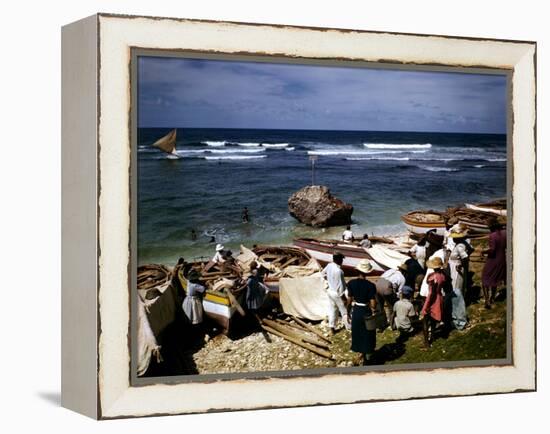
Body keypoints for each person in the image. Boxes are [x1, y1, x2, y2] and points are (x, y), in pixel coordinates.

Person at [347, 260, 377, 365]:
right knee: (367, 332)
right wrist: (374, 310)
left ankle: (359, 353)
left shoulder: (351, 283)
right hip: (365, 310)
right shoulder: (370, 285)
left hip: (356, 310)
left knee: (357, 332)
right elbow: (373, 303)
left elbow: (349, 300)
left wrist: (348, 311)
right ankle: (366, 354)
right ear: (368, 272)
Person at [447, 227, 470, 330]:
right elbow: (470, 251)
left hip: (456, 271)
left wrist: (461, 265)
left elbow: (465, 257)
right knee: (457, 292)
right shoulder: (462, 244)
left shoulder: (460, 246)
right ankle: (456, 316)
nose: (452, 239)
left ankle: (460, 320)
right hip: (455, 269)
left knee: (456, 293)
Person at [322, 252, 350, 334]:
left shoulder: (329, 265)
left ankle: (332, 327)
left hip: (330, 291)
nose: (342, 261)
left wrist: (329, 280)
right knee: (344, 311)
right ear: (338, 259)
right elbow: (340, 287)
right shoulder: (339, 271)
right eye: (341, 259)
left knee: (333, 310)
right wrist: (344, 298)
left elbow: (323, 273)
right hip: (337, 293)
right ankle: (349, 327)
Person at [421, 257, 446, 347]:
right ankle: (433, 337)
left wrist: (426, 305)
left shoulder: (433, 277)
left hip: (432, 299)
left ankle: (426, 343)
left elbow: (432, 293)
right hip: (439, 298)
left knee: (425, 320)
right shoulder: (442, 276)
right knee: (433, 320)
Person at [481, 220, 507, 309]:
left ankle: (487, 300)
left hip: (493, 259)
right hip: (502, 259)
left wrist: (483, 251)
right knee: (495, 279)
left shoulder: (492, 236)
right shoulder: (504, 233)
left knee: (485, 279)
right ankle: (492, 298)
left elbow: (492, 250)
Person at [375, 263, 407, 330]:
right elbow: (399, 292)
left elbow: (381, 277)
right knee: (391, 307)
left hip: (377, 284)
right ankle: (392, 325)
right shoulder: (402, 278)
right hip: (387, 287)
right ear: (404, 272)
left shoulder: (391, 270)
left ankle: (381, 325)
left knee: (379, 306)